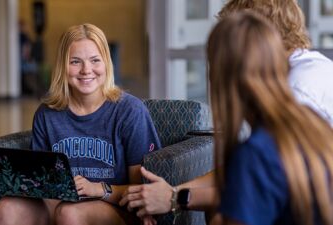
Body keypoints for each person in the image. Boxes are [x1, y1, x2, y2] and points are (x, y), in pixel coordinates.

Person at [120, 10, 333, 225]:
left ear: (222, 78)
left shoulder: (256, 152)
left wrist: (175, 197)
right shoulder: (312, 124)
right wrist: (176, 195)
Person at [0, 23, 161, 225]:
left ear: (106, 63)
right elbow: (42, 186)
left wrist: (98, 189)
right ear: (63, 65)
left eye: (95, 60)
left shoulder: (130, 111)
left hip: (117, 208)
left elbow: (144, 191)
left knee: (70, 213)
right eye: (75, 61)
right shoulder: (46, 115)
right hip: (60, 204)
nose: (86, 70)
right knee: (7, 209)